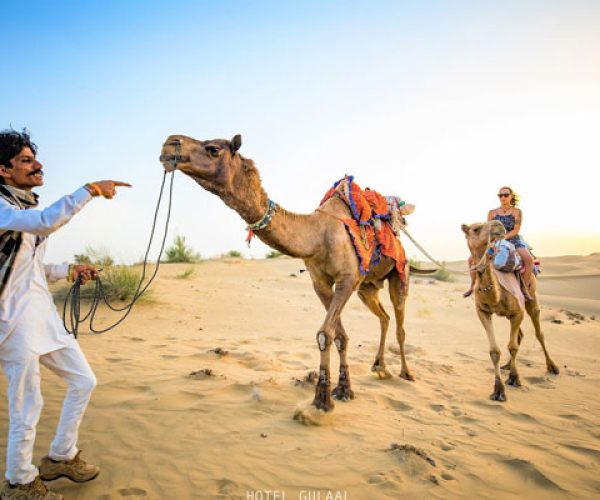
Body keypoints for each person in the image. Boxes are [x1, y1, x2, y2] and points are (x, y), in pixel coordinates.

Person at [0, 129, 130, 500]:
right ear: (4, 170)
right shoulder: (4, 208)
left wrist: (69, 269)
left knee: (83, 380)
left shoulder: (21, 207)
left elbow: (29, 265)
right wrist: (89, 190)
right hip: (10, 321)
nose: (38, 165)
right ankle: (20, 481)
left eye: (33, 158)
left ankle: (60, 456)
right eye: (26, 160)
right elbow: (44, 221)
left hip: (39, 315)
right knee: (27, 403)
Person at [464, 186, 534, 299]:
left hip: (513, 240)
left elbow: (516, 230)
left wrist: (504, 237)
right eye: (500, 195)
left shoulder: (517, 212)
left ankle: (524, 290)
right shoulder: (492, 213)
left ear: (511, 196)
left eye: (506, 195)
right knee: (471, 260)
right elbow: (487, 230)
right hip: (495, 241)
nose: (503, 197)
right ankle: (472, 286)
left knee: (528, 259)